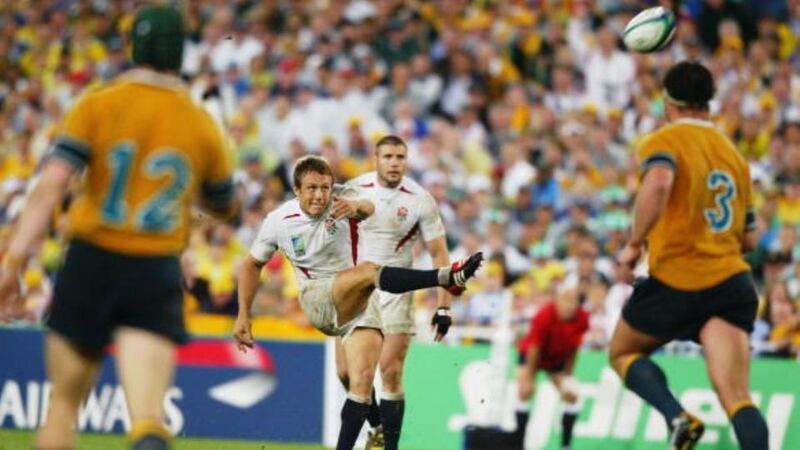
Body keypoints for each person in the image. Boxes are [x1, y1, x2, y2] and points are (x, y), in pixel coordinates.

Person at [0, 6, 237, 450]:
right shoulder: (201, 123)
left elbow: (50, 188)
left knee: (61, 413)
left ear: (133, 47)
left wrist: (13, 262)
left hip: (91, 260)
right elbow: (224, 204)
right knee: (148, 420)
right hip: (154, 267)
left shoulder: (97, 103)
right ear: (179, 53)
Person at [233, 155, 482, 450]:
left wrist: (355, 208)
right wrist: (243, 315)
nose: (320, 195)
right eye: (311, 188)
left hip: (357, 297)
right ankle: (445, 277)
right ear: (297, 190)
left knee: (358, 381)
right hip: (317, 298)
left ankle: (376, 429)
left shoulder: (343, 198)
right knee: (368, 272)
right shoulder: (278, 221)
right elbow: (251, 265)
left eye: (325, 187)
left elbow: (368, 206)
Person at [610, 61, 769, 450]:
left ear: (668, 101)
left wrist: (634, 244)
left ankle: (677, 417)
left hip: (679, 279)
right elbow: (750, 238)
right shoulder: (733, 156)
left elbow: (660, 182)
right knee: (737, 396)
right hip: (731, 283)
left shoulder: (664, 140)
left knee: (623, 352)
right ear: (709, 103)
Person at [333, 135, 454, 450]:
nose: (394, 162)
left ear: (407, 159)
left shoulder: (419, 198)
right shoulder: (354, 189)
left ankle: (390, 447)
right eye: (388, 156)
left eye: (400, 156)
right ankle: (377, 427)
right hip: (357, 288)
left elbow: (440, 254)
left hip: (397, 289)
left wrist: (444, 306)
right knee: (347, 373)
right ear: (376, 158)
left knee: (390, 370)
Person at [514, 287, 589, 450]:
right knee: (524, 391)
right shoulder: (544, 316)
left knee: (572, 395)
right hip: (532, 356)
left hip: (556, 360)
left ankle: (566, 445)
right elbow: (535, 348)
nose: (569, 305)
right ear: (557, 301)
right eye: (565, 300)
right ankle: (519, 444)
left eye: (573, 301)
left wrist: (569, 373)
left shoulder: (583, 318)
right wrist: (529, 376)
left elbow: (575, 346)